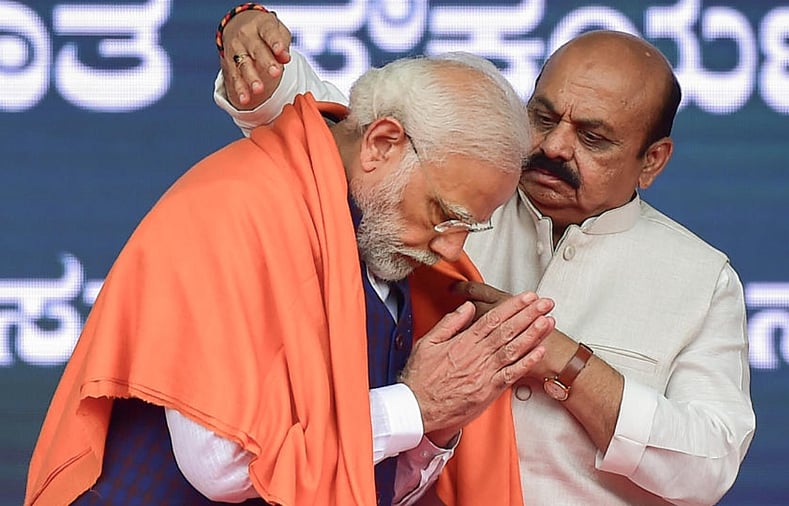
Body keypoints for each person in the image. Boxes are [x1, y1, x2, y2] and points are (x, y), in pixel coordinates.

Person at [214, 8, 757, 506]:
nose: (554, 147)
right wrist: (253, 48)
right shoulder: (450, 186)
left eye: (593, 138)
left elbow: (706, 466)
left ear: (651, 161)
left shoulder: (700, 279)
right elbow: (343, 132)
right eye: (543, 118)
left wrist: (563, 360)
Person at [25, 52, 559, 506]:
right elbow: (224, 463)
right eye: (444, 214)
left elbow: (356, 485)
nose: (451, 248)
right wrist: (412, 406)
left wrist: (435, 425)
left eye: (467, 227)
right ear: (382, 144)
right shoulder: (235, 209)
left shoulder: (382, 236)